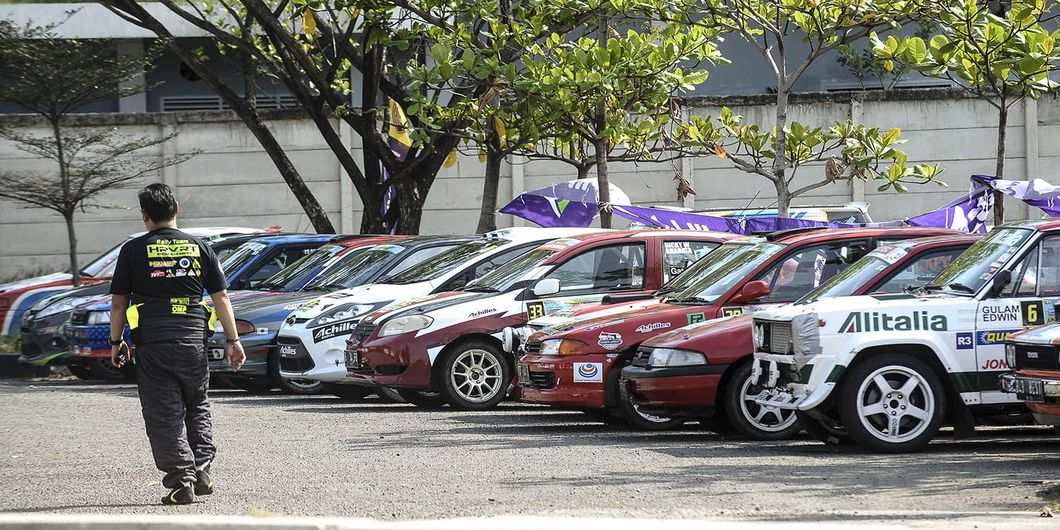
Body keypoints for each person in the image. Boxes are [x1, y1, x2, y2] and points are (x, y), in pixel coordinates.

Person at [109, 183, 246, 505]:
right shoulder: (200, 247)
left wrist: (116, 342)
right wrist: (233, 340)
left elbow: (118, 303)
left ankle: (180, 482)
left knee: (163, 414)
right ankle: (201, 467)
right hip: (193, 340)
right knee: (196, 404)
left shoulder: (132, 250)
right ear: (177, 209)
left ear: (145, 216)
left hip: (153, 343)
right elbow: (221, 297)